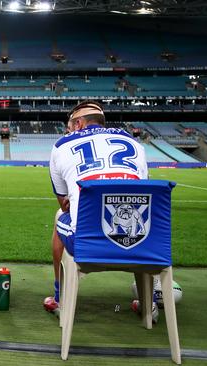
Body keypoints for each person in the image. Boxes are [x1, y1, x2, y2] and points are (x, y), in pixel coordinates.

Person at [44, 100, 148, 313]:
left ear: (79, 124)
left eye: (70, 126)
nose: (68, 131)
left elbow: (64, 205)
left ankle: (60, 296)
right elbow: (143, 192)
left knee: (59, 218)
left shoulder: (62, 145)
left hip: (88, 242)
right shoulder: (134, 143)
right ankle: (149, 301)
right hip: (140, 242)